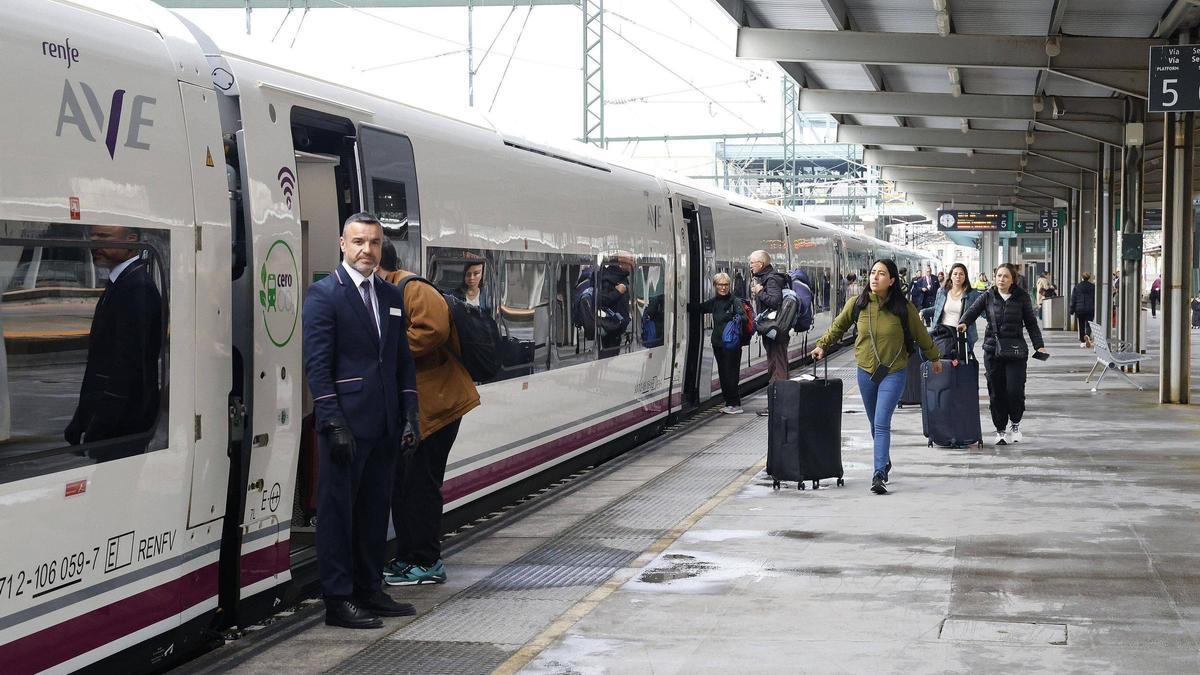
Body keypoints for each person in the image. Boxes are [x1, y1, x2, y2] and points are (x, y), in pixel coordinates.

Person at [303, 213, 421, 629]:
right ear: (342, 244)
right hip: (345, 428)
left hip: (385, 423)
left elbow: (401, 360)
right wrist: (332, 422)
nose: (366, 250)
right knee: (338, 514)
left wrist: (410, 412)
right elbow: (317, 367)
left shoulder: (391, 296)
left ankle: (369, 588)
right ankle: (338, 599)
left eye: (373, 242)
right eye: (358, 242)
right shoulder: (323, 295)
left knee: (374, 511)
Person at [385, 260, 482, 587]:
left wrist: (386, 349)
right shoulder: (390, 290)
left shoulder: (411, 288)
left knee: (420, 486)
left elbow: (434, 328)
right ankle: (407, 556)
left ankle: (426, 561)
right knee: (403, 485)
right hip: (421, 409)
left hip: (438, 407)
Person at [811, 259, 941, 495]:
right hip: (865, 372)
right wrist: (822, 345)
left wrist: (934, 358)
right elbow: (838, 327)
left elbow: (921, 335)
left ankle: (879, 472)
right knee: (874, 423)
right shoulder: (858, 304)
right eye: (872, 273)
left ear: (891, 280)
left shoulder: (904, 308)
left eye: (881, 274)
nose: (875, 277)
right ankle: (884, 460)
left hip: (894, 371)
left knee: (882, 423)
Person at [65, 225, 162, 460]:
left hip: (124, 423)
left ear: (131, 240)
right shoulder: (122, 282)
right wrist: (81, 419)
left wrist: (100, 424)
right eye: (92, 236)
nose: (94, 243)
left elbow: (127, 366)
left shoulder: (137, 287)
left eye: (104, 236)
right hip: (117, 420)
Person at [958, 263, 1047, 447]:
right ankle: (1000, 430)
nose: (1001, 279)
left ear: (1013, 279)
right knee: (996, 392)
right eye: (999, 275)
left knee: (1014, 390)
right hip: (993, 350)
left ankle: (1015, 423)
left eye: (1006, 276)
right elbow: (973, 311)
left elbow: (1031, 323)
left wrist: (1039, 346)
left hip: (1016, 351)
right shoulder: (988, 296)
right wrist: (964, 323)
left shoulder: (1022, 297)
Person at [692, 272, 746, 414]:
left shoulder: (735, 301)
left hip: (732, 344)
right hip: (718, 344)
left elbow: (743, 317)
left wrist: (735, 317)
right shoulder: (715, 302)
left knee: (731, 374)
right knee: (723, 373)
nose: (723, 287)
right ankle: (729, 403)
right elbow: (698, 308)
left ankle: (735, 403)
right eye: (720, 285)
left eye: (726, 284)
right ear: (715, 286)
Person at [923, 263, 981, 358]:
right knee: (943, 365)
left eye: (961, 274)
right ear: (950, 276)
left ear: (965, 276)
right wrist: (924, 312)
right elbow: (937, 308)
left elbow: (982, 310)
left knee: (961, 364)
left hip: (962, 336)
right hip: (943, 334)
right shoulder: (942, 291)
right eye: (955, 274)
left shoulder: (972, 294)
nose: (958, 276)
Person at [750, 250, 789, 386]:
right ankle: (777, 399)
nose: (751, 266)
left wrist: (760, 291)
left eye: (752, 263)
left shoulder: (771, 279)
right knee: (775, 362)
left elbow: (774, 301)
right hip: (774, 328)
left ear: (761, 264)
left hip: (775, 328)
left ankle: (779, 401)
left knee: (777, 364)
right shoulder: (769, 277)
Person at [597, 253, 633, 357]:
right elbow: (601, 300)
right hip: (610, 327)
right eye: (630, 261)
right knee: (608, 358)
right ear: (621, 263)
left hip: (617, 327)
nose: (633, 264)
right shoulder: (608, 277)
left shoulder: (622, 276)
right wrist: (617, 292)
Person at [1069, 272, 1096, 348]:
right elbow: (1095, 298)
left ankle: (1082, 340)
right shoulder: (1092, 287)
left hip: (1079, 309)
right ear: (1089, 278)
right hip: (1090, 308)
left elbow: (1073, 299)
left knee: (1081, 325)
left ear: (1082, 277)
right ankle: (1087, 335)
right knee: (1089, 324)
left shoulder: (1077, 287)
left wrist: (1071, 310)